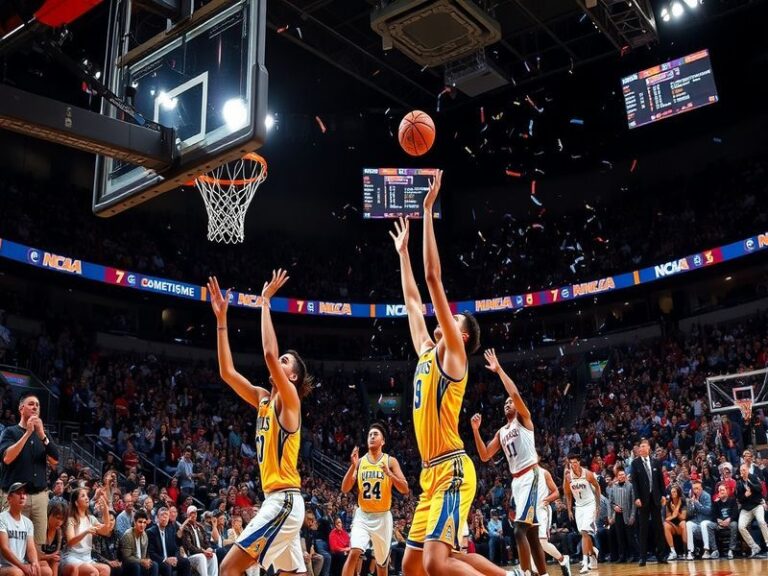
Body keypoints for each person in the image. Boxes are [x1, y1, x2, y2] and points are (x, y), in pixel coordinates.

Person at [390, 178, 519, 576]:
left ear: (461, 335)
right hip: (430, 474)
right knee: (413, 565)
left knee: (435, 563)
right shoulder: (426, 352)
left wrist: (428, 211)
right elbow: (413, 301)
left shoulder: (455, 356)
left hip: (452, 468)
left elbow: (432, 279)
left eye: (454, 318)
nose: (446, 317)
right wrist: (403, 254)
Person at [208, 271, 313, 576]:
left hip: (283, 502)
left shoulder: (290, 401)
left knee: (228, 569)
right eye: (281, 359)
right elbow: (227, 372)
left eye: (285, 362)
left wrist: (265, 302)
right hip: (279, 501)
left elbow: (268, 353)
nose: (278, 362)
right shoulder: (263, 398)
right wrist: (221, 320)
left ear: (293, 377)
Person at [470, 349, 547, 576]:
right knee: (531, 534)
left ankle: (524, 573)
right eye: (504, 403)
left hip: (531, 475)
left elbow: (513, 393)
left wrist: (499, 370)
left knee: (519, 530)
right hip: (517, 481)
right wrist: (475, 430)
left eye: (510, 402)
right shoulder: (502, 431)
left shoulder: (523, 419)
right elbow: (485, 455)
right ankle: (543, 574)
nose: (507, 403)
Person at [340, 423, 409, 576]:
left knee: (381, 564)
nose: (372, 437)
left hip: (382, 517)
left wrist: (390, 474)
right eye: (370, 435)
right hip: (363, 515)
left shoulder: (390, 461)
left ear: (383, 441)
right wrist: (352, 466)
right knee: (354, 552)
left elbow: (405, 488)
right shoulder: (360, 462)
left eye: (375, 434)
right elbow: (344, 488)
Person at [0, 394, 60, 545]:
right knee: (12, 546)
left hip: (40, 497)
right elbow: (7, 458)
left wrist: (42, 435)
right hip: (15, 497)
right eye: (31, 404)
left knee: (38, 546)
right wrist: (27, 433)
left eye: (37, 405)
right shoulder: (10, 432)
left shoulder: (43, 435)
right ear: (21, 408)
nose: (35, 407)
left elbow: (55, 461)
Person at [629, 438, 669, 566]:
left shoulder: (656, 462)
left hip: (655, 498)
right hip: (643, 500)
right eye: (640, 447)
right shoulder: (635, 463)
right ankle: (643, 557)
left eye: (643, 446)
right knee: (643, 529)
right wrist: (636, 497)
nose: (641, 449)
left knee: (658, 527)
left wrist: (664, 495)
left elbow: (661, 481)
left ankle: (661, 556)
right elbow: (634, 483)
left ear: (648, 448)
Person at [0, 482, 53, 576]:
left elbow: (30, 548)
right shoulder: (2, 518)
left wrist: (34, 563)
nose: (22, 496)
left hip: (20, 564)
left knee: (47, 571)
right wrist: (23, 567)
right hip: (3, 566)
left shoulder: (28, 522)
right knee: (17, 573)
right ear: (9, 498)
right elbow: (4, 548)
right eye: (18, 493)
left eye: (24, 493)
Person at [61, 487, 113, 576]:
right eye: (83, 496)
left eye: (87, 496)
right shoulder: (71, 519)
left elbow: (106, 530)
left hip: (87, 558)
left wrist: (105, 509)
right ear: (76, 503)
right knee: (93, 572)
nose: (87, 498)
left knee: (106, 569)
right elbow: (70, 542)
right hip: (72, 557)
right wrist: (86, 532)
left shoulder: (91, 519)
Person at [564, 453, 600, 573]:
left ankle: (585, 562)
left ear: (579, 462)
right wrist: (569, 509)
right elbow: (568, 494)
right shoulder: (568, 477)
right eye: (571, 463)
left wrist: (598, 505)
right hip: (579, 507)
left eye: (575, 462)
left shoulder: (588, 474)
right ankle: (593, 554)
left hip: (590, 504)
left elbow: (597, 487)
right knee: (584, 534)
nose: (573, 465)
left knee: (584, 532)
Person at [535, 468, 571, 576]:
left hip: (542, 510)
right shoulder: (523, 475)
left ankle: (563, 559)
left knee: (542, 542)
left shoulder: (544, 473)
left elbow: (556, 492)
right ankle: (538, 572)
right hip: (530, 512)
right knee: (530, 543)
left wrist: (546, 500)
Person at [735, 462, 768, 557]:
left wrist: (749, 482)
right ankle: (754, 547)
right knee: (741, 526)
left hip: (757, 505)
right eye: (741, 470)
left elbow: (759, 489)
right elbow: (739, 499)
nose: (742, 472)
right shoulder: (739, 482)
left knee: (761, 521)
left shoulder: (753, 477)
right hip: (746, 508)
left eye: (744, 470)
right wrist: (745, 495)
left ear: (748, 470)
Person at [146, 507, 191, 576]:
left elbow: (175, 548)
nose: (164, 517)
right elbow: (151, 553)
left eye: (166, 515)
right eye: (162, 515)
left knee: (185, 562)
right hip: (159, 561)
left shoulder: (171, 530)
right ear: (157, 517)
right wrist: (165, 559)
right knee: (167, 566)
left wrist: (175, 558)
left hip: (170, 559)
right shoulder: (151, 532)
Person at [606, 467, 635, 564]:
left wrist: (632, 516)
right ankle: (622, 556)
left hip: (628, 515)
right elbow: (610, 502)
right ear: (617, 476)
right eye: (619, 475)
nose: (621, 476)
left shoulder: (630, 486)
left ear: (625, 476)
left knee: (629, 537)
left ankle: (632, 555)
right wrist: (614, 507)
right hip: (618, 515)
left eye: (623, 474)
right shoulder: (613, 487)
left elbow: (633, 503)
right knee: (620, 537)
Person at [180, 506, 218, 576]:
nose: (194, 515)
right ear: (188, 515)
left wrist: (209, 548)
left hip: (202, 553)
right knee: (201, 556)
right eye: (192, 513)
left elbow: (206, 541)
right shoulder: (185, 528)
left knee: (213, 555)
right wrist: (203, 551)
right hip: (191, 556)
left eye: (195, 513)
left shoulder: (200, 526)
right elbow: (189, 547)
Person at [120, 510, 158, 576]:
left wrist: (146, 561)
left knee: (154, 565)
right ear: (135, 522)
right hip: (128, 565)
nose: (142, 525)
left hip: (139, 563)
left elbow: (144, 555)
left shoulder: (144, 535)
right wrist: (141, 561)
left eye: (144, 522)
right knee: (136, 566)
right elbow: (127, 558)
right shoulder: (128, 535)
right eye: (140, 522)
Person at [706, 485, 738, 559]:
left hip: (729, 522)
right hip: (719, 523)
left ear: (727, 491)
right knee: (709, 525)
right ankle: (715, 550)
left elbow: (735, 513)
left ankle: (731, 550)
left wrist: (729, 519)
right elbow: (713, 515)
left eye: (723, 490)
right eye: (719, 490)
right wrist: (718, 520)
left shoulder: (732, 500)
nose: (721, 492)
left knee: (734, 524)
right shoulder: (716, 502)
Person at [683, 480, 712, 560]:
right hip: (697, 521)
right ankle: (690, 551)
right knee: (688, 524)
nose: (696, 491)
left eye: (697, 488)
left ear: (701, 488)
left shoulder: (706, 496)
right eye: (694, 489)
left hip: (707, 520)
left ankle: (706, 550)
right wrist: (692, 504)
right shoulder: (693, 497)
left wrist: (697, 504)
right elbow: (690, 514)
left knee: (703, 524)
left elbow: (708, 511)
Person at [39, 501, 66, 576]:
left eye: (62, 519)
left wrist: (52, 557)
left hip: (52, 562)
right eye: (57, 518)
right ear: (49, 515)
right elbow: (32, 555)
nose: (60, 522)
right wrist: (49, 557)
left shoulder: (60, 533)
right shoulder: (40, 529)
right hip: (37, 561)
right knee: (47, 565)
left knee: (55, 562)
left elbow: (58, 554)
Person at [662, 485, 686, 560]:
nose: (673, 493)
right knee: (665, 525)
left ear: (678, 492)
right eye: (672, 492)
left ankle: (686, 551)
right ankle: (673, 551)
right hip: (673, 525)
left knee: (683, 523)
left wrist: (676, 509)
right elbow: (668, 518)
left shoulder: (683, 501)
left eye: (674, 492)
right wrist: (674, 514)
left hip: (681, 524)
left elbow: (683, 517)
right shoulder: (669, 502)